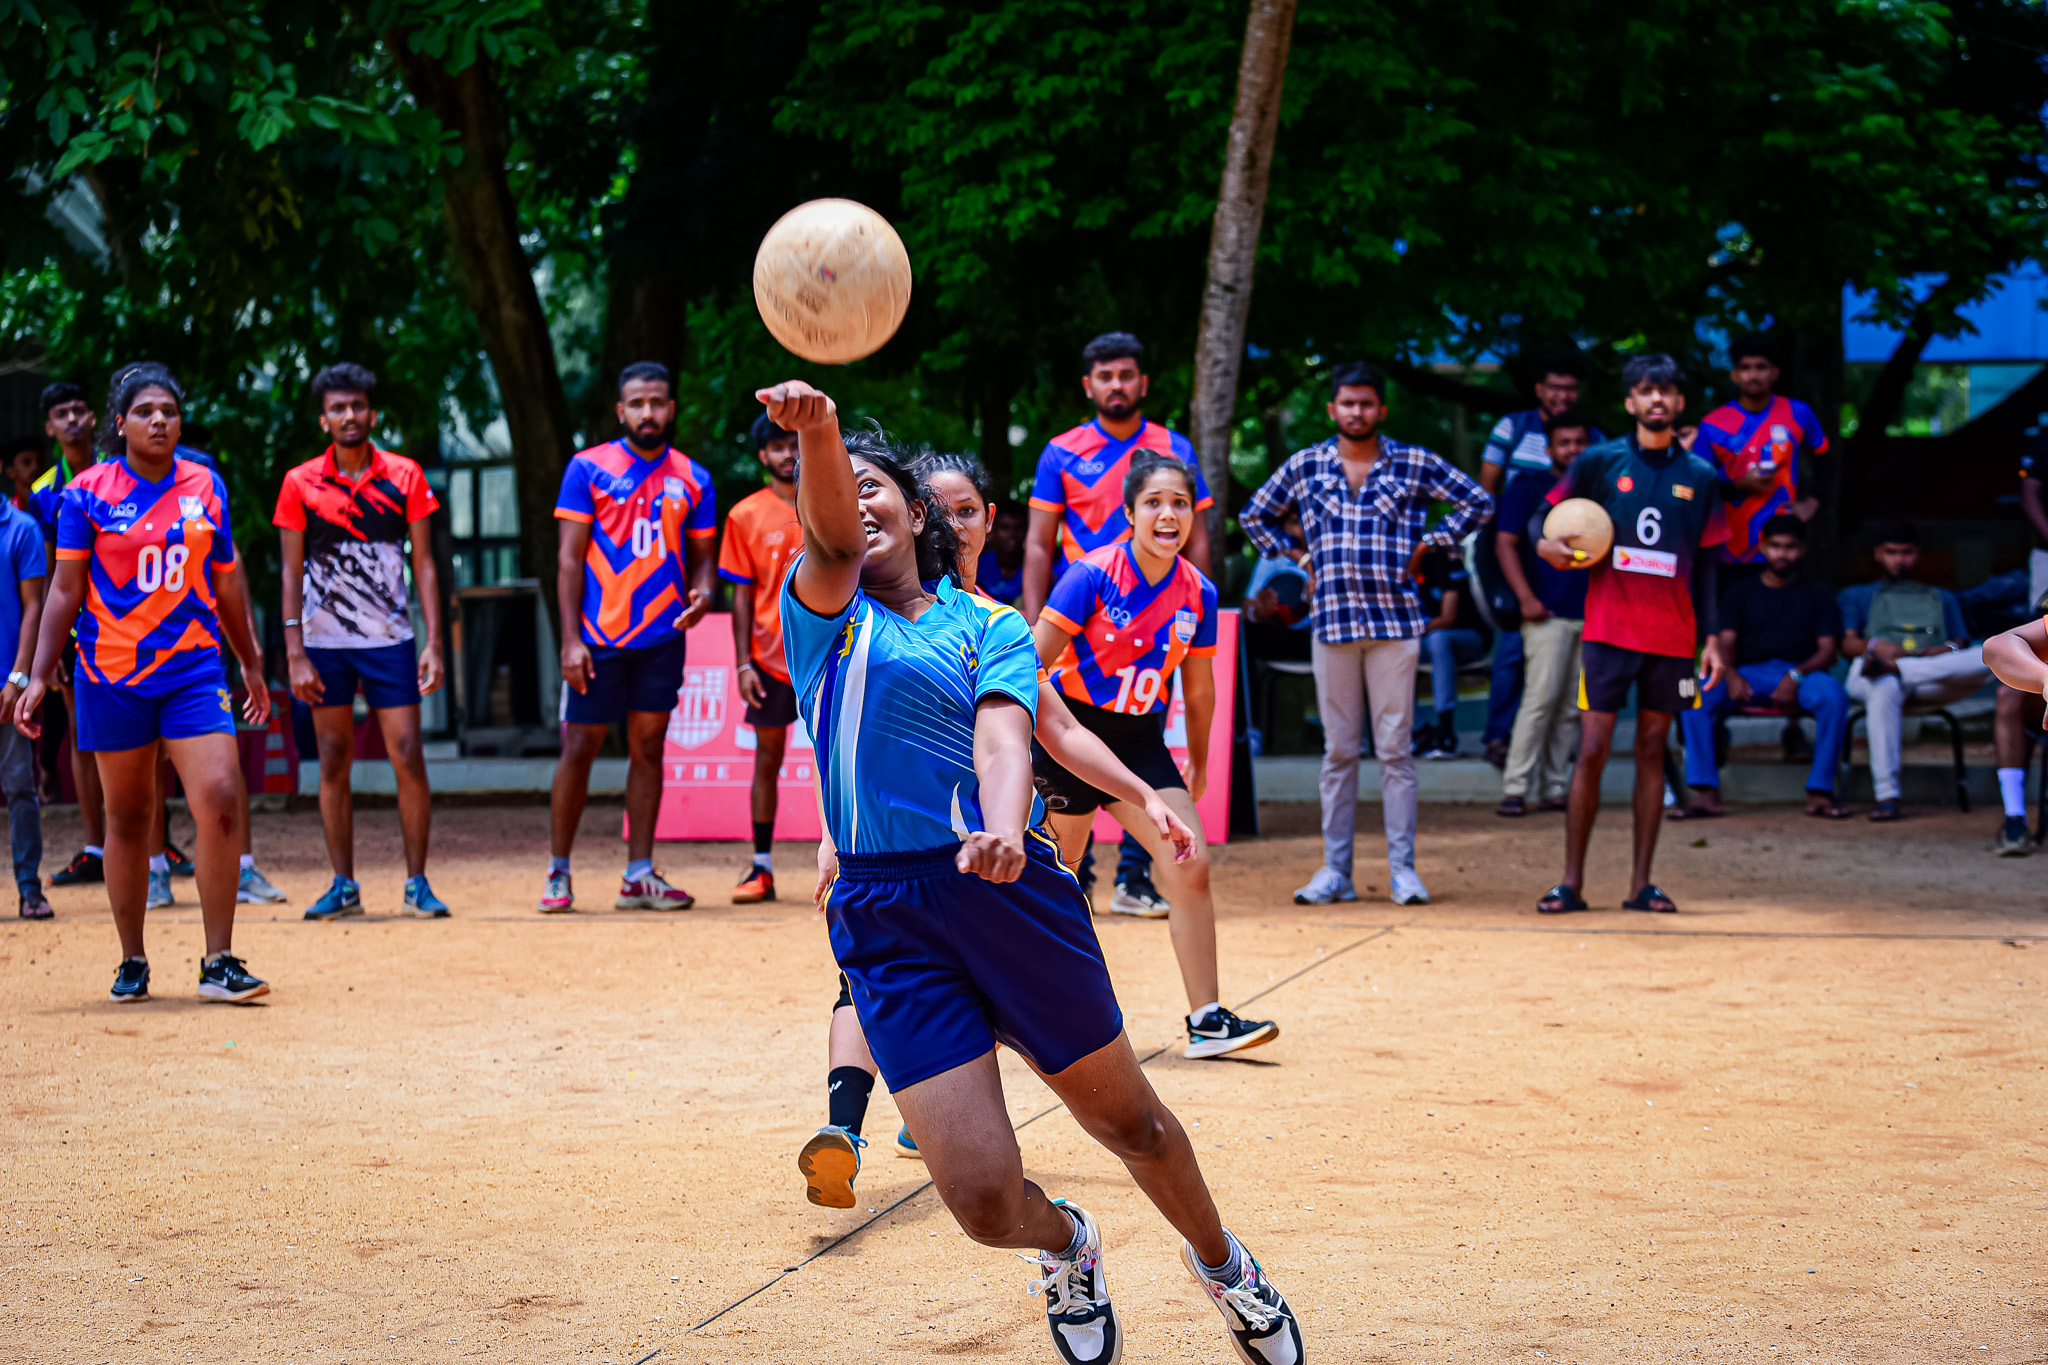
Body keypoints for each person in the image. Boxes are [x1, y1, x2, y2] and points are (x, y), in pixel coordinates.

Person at [765, 377, 1302, 1365]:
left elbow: (1009, 737)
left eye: (880, 487)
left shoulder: (989, 625)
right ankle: (1068, 1246)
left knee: (1133, 1126)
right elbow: (831, 530)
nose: (858, 502)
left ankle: (1225, 1264)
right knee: (979, 1201)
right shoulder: (825, 611)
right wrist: (821, 431)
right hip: (885, 915)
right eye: (847, 488)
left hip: (1006, 895)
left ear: (917, 513)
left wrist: (1008, 827)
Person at [801, 446, 1200, 1206]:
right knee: (863, 983)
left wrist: (1143, 795)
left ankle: (945, 1095)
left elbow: (1050, 730)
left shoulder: (990, 619)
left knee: (1089, 1081)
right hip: (889, 869)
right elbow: (845, 744)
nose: (956, 522)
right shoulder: (849, 612)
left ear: (985, 520)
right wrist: (833, 834)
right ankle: (852, 1123)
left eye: (967, 509)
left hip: (998, 858)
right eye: (943, 507)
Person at [13, 363, 272, 1002]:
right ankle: (133, 958)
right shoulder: (87, 493)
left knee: (220, 796)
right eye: (146, 411)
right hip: (112, 674)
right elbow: (64, 590)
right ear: (120, 423)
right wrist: (39, 675)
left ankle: (219, 961)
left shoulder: (205, 485)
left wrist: (250, 660)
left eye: (170, 411)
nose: (160, 420)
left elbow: (226, 582)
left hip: (193, 670)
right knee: (128, 818)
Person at [1032, 451, 1278, 1056]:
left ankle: (1207, 1019)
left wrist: (1200, 762)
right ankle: (1032, 1021)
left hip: (1140, 740)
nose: (1168, 515)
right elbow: (1031, 662)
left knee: (1190, 863)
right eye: (1153, 503)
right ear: (1129, 513)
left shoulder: (1199, 591)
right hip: (1070, 735)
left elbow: (1200, 690)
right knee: (1058, 882)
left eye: (1179, 504)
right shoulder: (1091, 574)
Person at [1242, 361, 1492, 907]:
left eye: (1367, 403)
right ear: (1332, 409)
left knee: (1396, 751)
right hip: (1331, 622)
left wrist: (1430, 543)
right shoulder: (1306, 465)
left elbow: (1478, 501)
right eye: (1348, 403)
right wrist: (1300, 558)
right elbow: (1254, 516)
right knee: (1338, 752)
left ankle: (1404, 871)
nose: (1357, 412)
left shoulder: (1413, 462)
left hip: (1395, 623)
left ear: (1382, 409)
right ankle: (1336, 871)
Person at [1023, 332, 1212, 919]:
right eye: (1105, 376)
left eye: (1126, 374)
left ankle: (1136, 878)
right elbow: (1038, 543)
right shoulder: (1062, 451)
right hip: (1081, 620)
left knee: (1144, 738)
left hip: (1161, 624)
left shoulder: (1174, 447)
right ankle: (1075, 878)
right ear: (1089, 385)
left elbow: (1198, 537)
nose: (1117, 385)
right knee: (1072, 743)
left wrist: (1193, 602)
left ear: (1142, 382)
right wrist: (1032, 619)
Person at [1532, 353, 1728, 915]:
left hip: (1672, 637)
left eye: (1665, 391)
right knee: (1592, 750)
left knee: (1651, 751)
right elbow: (1542, 520)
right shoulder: (1598, 461)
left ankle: (1641, 884)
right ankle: (1571, 882)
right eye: (1645, 390)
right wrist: (1546, 546)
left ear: (1680, 402)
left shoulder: (1702, 476)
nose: (1656, 399)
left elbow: (1710, 567)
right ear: (1629, 402)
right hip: (1608, 631)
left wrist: (1713, 639)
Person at [275, 363, 449, 919]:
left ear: (373, 415)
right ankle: (343, 885)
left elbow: (425, 563)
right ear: (323, 419)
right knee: (332, 758)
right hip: (324, 643)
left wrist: (434, 642)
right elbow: (290, 571)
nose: (348, 415)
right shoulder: (300, 483)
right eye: (337, 408)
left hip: (390, 640)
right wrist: (294, 652)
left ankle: (417, 883)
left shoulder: (405, 475)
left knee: (408, 753)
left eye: (357, 406)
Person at [543, 361, 715, 912]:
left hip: (662, 636)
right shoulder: (586, 468)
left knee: (648, 747)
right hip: (597, 638)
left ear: (671, 408)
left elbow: (703, 558)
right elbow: (568, 561)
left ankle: (638, 874)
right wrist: (570, 640)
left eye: (657, 402)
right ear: (621, 410)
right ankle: (558, 871)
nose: (648, 412)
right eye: (637, 403)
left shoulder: (695, 477)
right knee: (579, 747)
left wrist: (704, 592)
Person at [1839, 521, 2013, 830]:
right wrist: (1876, 646)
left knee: (1994, 654)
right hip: (1871, 673)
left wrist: (1944, 649)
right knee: (1884, 684)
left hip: (1928, 678)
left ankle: (1902, 669)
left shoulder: (1942, 597)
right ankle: (1887, 795)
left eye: (1906, 552)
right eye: (1891, 552)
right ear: (1877, 554)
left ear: (1917, 554)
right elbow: (1847, 644)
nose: (1899, 560)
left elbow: (1961, 642)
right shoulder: (1857, 595)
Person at [1474, 352, 1604, 767]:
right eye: (1555, 387)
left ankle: (1554, 755)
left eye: (1570, 388)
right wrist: (1500, 548)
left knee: (1566, 669)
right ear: (1539, 389)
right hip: (1514, 550)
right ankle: (1498, 736)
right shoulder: (1512, 427)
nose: (1562, 395)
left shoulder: (1594, 436)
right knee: (1512, 647)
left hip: (1571, 560)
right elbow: (1487, 491)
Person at [1674, 514, 1851, 818]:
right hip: (1748, 674)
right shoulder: (1740, 591)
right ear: (1763, 547)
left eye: (1791, 547)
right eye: (1776, 546)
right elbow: (1725, 642)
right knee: (1695, 693)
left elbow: (1827, 650)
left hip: (1802, 674)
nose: (1783, 554)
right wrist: (1730, 675)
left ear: (1802, 550)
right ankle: (1706, 792)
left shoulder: (1819, 593)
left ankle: (1820, 792)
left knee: (1834, 696)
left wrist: (1795, 674)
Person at [718, 412, 803, 903]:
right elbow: (742, 597)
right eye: (777, 445)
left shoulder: (832, 504)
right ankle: (762, 867)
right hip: (770, 659)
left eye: (794, 443)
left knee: (839, 763)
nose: (788, 453)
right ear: (762, 456)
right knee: (767, 760)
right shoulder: (744, 515)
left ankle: (850, 863)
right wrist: (743, 663)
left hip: (831, 654)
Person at [1492, 409, 1593, 817]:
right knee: (1540, 699)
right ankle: (1515, 787)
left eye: (1580, 442)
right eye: (1564, 443)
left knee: (1570, 707)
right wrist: (1525, 597)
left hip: (1588, 613)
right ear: (1548, 449)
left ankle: (1554, 788)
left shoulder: (1598, 489)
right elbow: (1504, 543)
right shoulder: (1527, 486)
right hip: (1544, 612)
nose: (1573, 450)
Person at [33, 381, 110, 888]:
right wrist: (54, 643)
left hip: (130, 622)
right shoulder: (43, 491)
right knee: (82, 733)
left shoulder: (118, 470)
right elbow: (46, 573)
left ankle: (152, 847)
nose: (73, 420)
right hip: (78, 630)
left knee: (148, 737)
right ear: (49, 427)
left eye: (80, 410)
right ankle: (95, 848)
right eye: (62, 414)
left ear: (94, 417)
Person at [1696, 334, 1829, 575]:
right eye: (1745, 368)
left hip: (1783, 544)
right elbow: (1699, 485)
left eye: (1761, 367)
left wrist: (1812, 502)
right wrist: (1739, 485)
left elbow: (1825, 458)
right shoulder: (1712, 424)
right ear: (1734, 375)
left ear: (1774, 373)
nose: (1753, 375)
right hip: (1731, 545)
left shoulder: (1798, 413)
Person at [0, 487, 48, 918]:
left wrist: (18, 677)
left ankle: (30, 888)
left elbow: (35, 607)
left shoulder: (22, 529)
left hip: (7, 684)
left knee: (19, 785)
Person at [1413, 543, 1491, 760]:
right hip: (1426, 640)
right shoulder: (1394, 574)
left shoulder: (1442, 560)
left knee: (1439, 639)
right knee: (1392, 651)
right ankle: (1420, 730)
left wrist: (1406, 627)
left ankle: (1446, 731)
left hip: (1469, 639)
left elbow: (1447, 619)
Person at [1242, 507, 1312, 664]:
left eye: (1305, 522)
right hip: (1280, 635)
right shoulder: (1271, 558)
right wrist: (1259, 611)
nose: (1300, 529)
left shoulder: (1327, 556)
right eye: (1294, 522)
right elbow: (1247, 611)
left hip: (1315, 636)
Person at [977, 500, 1030, 606]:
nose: (1012, 535)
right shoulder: (979, 564)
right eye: (1005, 528)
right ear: (992, 531)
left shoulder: (1037, 567)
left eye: (1018, 528)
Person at [4, 437, 42, 510]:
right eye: (26, 462)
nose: (35, 467)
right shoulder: (6, 511)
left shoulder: (54, 505)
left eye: (39, 461)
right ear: (11, 472)